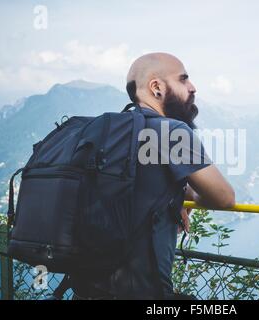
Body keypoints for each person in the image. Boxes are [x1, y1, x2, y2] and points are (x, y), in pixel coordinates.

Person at [71, 52, 235, 300]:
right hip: (141, 292)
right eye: (183, 80)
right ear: (156, 87)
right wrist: (196, 200)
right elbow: (224, 198)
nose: (193, 87)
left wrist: (176, 196)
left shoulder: (112, 132)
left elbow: (139, 185)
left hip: (87, 287)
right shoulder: (170, 131)